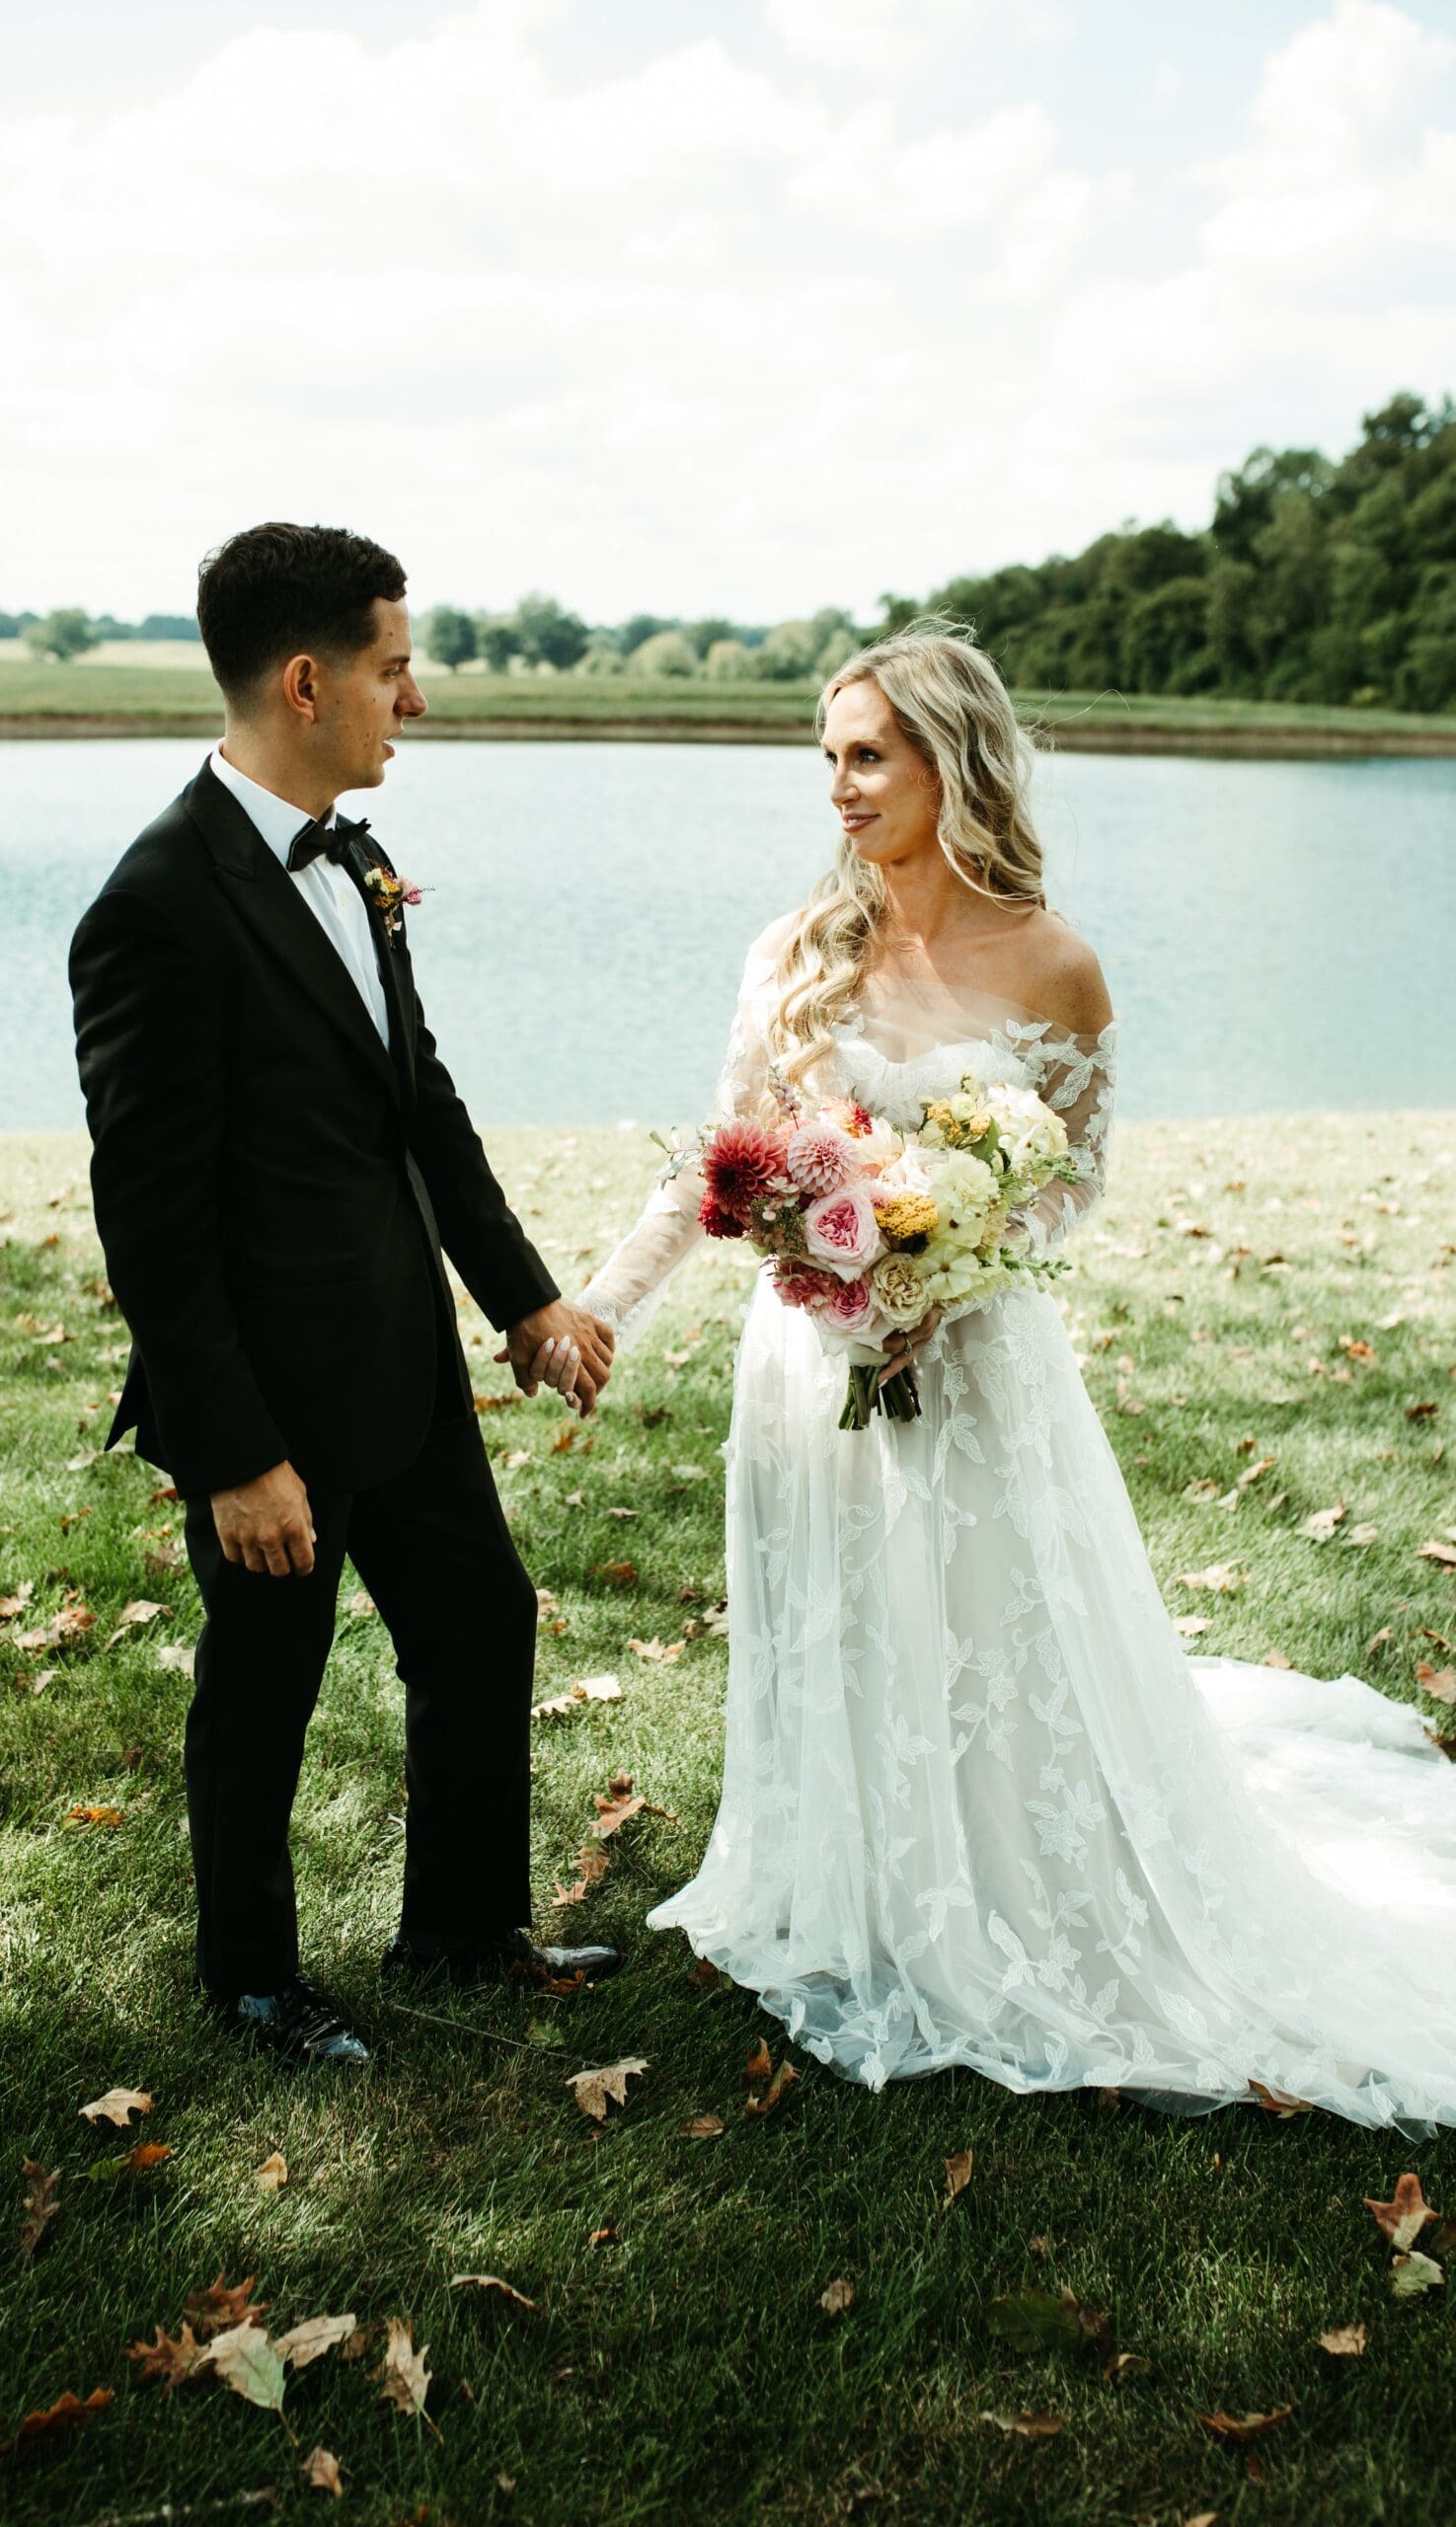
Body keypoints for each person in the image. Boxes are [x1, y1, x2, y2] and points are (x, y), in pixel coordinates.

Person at [579, 618, 1456, 2136]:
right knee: (843, 1617)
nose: (840, 787)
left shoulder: (1058, 964)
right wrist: (602, 1307)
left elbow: (1070, 1181)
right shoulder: (794, 954)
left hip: (978, 1362)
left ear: (954, 763)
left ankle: (1008, 1891)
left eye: (869, 756)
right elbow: (719, 1160)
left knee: (983, 1625)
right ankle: (852, 1880)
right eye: (829, 757)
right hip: (807, 1360)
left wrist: (950, 1270)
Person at [69, 520, 619, 2069]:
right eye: (394, 668)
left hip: (401, 1359)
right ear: (306, 683)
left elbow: (416, 1102)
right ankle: (250, 1986)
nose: (415, 700)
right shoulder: (156, 905)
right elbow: (151, 1225)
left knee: (479, 1621)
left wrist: (522, 1302)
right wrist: (233, 1453)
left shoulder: (357, 860)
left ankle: (461, 1930)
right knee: (266, 1690)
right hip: (269, 1401)